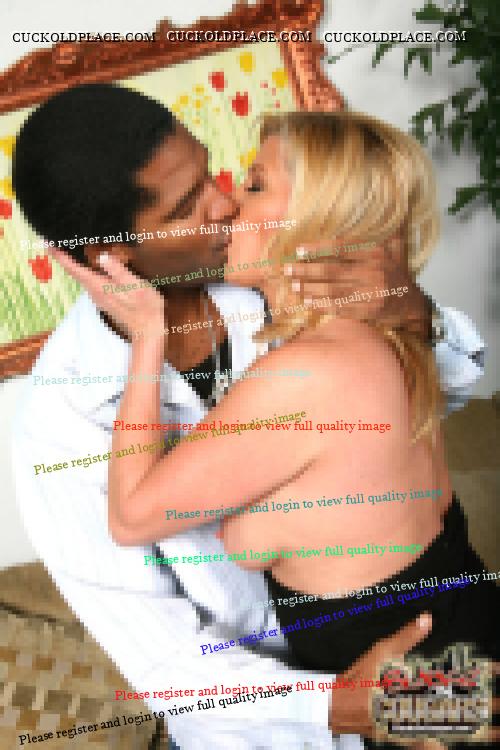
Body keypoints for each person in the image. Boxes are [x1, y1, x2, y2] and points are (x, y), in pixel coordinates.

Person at [12, 85, 487, 750]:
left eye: (216, 175)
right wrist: (336, 706)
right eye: (187, 206)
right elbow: (166, 661)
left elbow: (433, 398)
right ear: (111, 258)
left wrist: (414, 312)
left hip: (424, 661)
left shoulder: (286, 282)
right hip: (270, 727)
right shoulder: (61, 422)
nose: (226, 202)